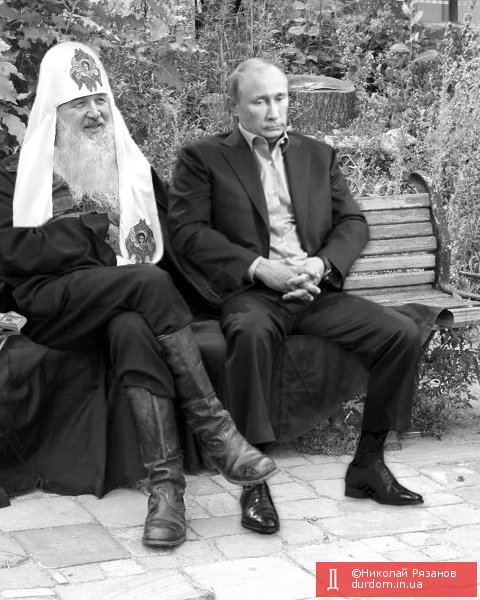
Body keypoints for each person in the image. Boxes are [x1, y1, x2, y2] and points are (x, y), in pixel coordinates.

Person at [0, 42, 278, 548]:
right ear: (55, 111)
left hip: (129, 303)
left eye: (101, 100)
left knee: (133, 327)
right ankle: (219, 433)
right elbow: (10, 254)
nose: (95, 112)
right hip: (55, 303)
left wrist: (246, 269)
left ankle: (167, 492)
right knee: (146, 283)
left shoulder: (131, 169)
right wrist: (93, 228)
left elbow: (174, 241)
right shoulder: (15, 174)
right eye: (80, 103)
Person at [167, 57, 424, 536]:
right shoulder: (203, 158)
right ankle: (254, 482)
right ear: (234, 106)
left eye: (280, 98)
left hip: (313, 291)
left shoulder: (317, 155)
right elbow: (188, 232)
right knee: (247, 335)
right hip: (254, 294)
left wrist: (320, 265)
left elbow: (352, 222)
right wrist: (261, 267)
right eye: (259, 101)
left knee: (401, 333)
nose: (273, 111)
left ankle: (368, 465)